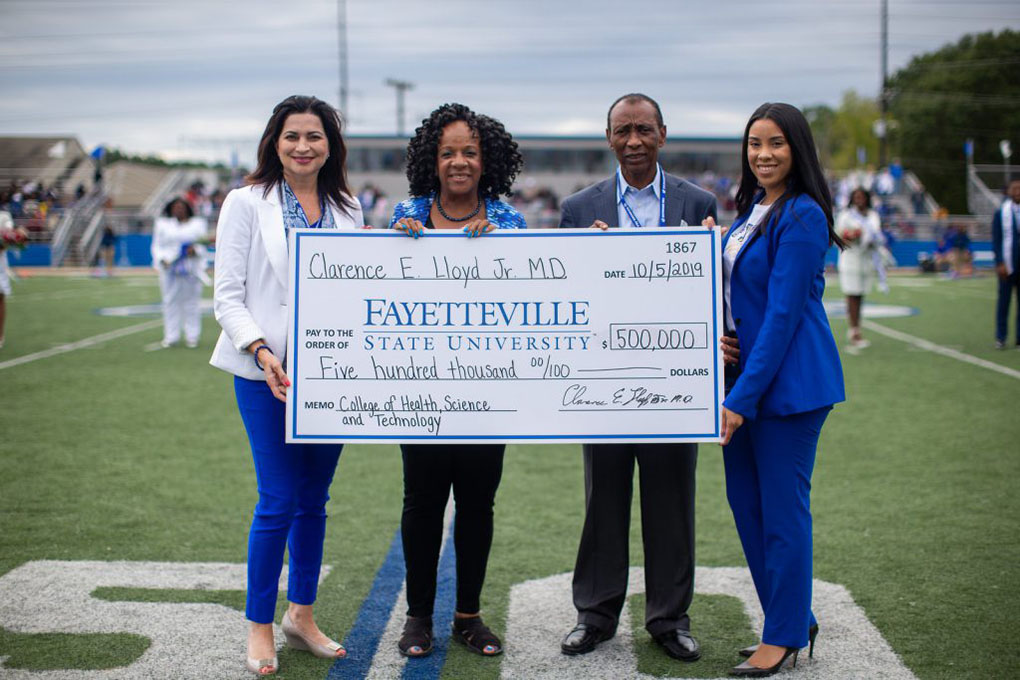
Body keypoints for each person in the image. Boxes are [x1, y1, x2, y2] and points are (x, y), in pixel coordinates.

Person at [558, 93, 716, 663]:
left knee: (671, 498)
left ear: (663, 134)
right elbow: (565, 296)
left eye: (644, 129)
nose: (633, 140)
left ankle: (669, 619)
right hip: (603, 379)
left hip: (673, 381)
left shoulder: (699, 202)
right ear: (608, 138)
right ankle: (595, 614)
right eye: (623, 130)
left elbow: (710, 294)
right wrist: (587, 258)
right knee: (604, 497)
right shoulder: (579, 207)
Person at [209, 95, 364, 676]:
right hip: (264, 374)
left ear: (331, 147)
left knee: (314, 503)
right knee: (276, 501)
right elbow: (227, 295)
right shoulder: (245, 202)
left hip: (332, 379)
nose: (303, 146)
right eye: (292, 135)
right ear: (275, 141)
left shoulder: (348, 208)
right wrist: (261, 349)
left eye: (315, 137)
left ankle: (301, 614)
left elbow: (362, 286)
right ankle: (259, 624)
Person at [711, 102, 845, 677]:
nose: (763, 155)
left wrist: (740, 401)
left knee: (782, 516)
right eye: (754, 144)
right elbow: (743, 300)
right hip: (746, 378)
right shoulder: (751, 210)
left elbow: (785, 315)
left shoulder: (804, 215)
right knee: (747, 508)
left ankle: (785, 635)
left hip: (788, 389)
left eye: (776, 144)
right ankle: (792, 616)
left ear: (797, 150)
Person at [390, 102, 525, 659]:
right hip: (421, 388)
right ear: (432, 159)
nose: (459, 162)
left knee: (476, 504)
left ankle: (468, 614)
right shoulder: (406, 213)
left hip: (486, 390)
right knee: (421, 502)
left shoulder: (509, 220)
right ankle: (418, 616)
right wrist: (394, 245)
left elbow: (529, 297)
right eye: (448, 152)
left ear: (486, 158)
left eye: (469, 151)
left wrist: (499, 248)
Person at [152, 198, 208, 348]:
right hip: (169, 269)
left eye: (181, 207)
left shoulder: (197, 224)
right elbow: (157, 245)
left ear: (187, 208)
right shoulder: (163, 224)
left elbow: (202, 246)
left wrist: (194, 251)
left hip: (191, 269)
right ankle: (171, 336)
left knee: (191, 302)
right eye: (175, 207)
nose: (178, 210)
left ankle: (192, 336)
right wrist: (162, 259)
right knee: (170, 301)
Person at [835, 188, 882, 350]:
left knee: (860, 295)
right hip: (850, 259)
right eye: (856, 197)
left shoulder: (873, 216)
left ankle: (856, 328)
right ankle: (854, 330)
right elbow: (838, 236)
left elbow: (876, 235)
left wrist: (867, 236)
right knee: (851, 294)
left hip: (865, 260)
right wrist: (851, 235)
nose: (859, 199)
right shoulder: (846, 215)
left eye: (862, 197)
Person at [992, 177, 1020, 349]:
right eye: (1014, 188)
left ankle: (1019, 338)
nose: (1017, 192)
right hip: (1007, 265)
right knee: (1004, 302)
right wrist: (999, 262)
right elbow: (996, 240)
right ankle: (1001, 337)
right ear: (1008, 191)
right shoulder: (1001, 212)